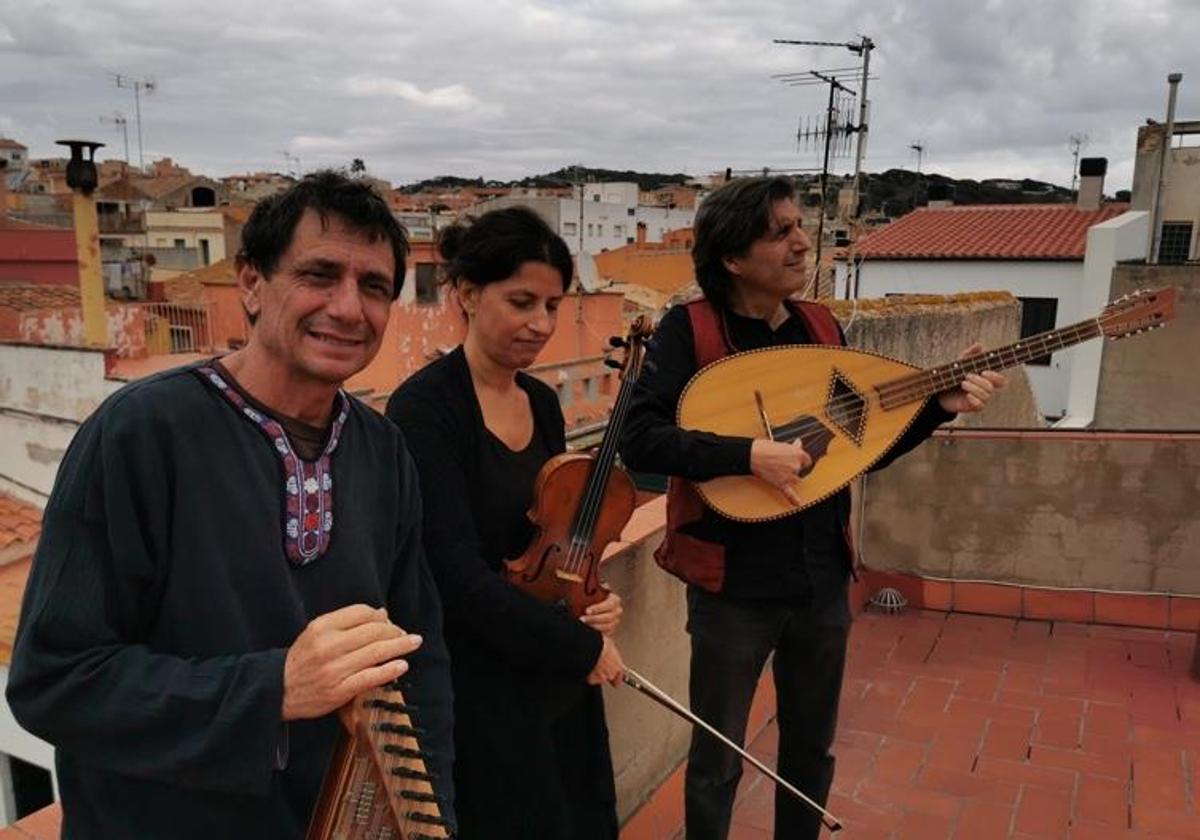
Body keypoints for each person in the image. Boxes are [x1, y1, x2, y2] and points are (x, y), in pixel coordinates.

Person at [7, 171, 454, 839]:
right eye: (319, 275)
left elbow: (418, 662)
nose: (348, 308)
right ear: (251, 283)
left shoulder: (383, 452)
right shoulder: (140, 434)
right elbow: (56, 680)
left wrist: (430, 819)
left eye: (374, 287)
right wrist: (272, 691)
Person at [619, 175, 1006, 840]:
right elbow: (639, 438)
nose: (804, 242)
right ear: (734, 259)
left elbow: (857, 450)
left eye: (800, 226)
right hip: (732, 585)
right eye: (781, 232)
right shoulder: (693, 330)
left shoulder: (820, 325)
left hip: (822, 576)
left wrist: (936, 410)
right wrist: (745, 455)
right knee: (718, 756)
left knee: (809, 749)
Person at [386, 206, 625, 840]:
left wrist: (588, 598)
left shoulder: (543, 403)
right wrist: (578, 645)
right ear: (467, 292)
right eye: (522, 301)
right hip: (480, 682)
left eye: (552, 305)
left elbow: (550, 538)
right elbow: (454, 575)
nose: (541, 324)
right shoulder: (425, 409)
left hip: (549, 660)